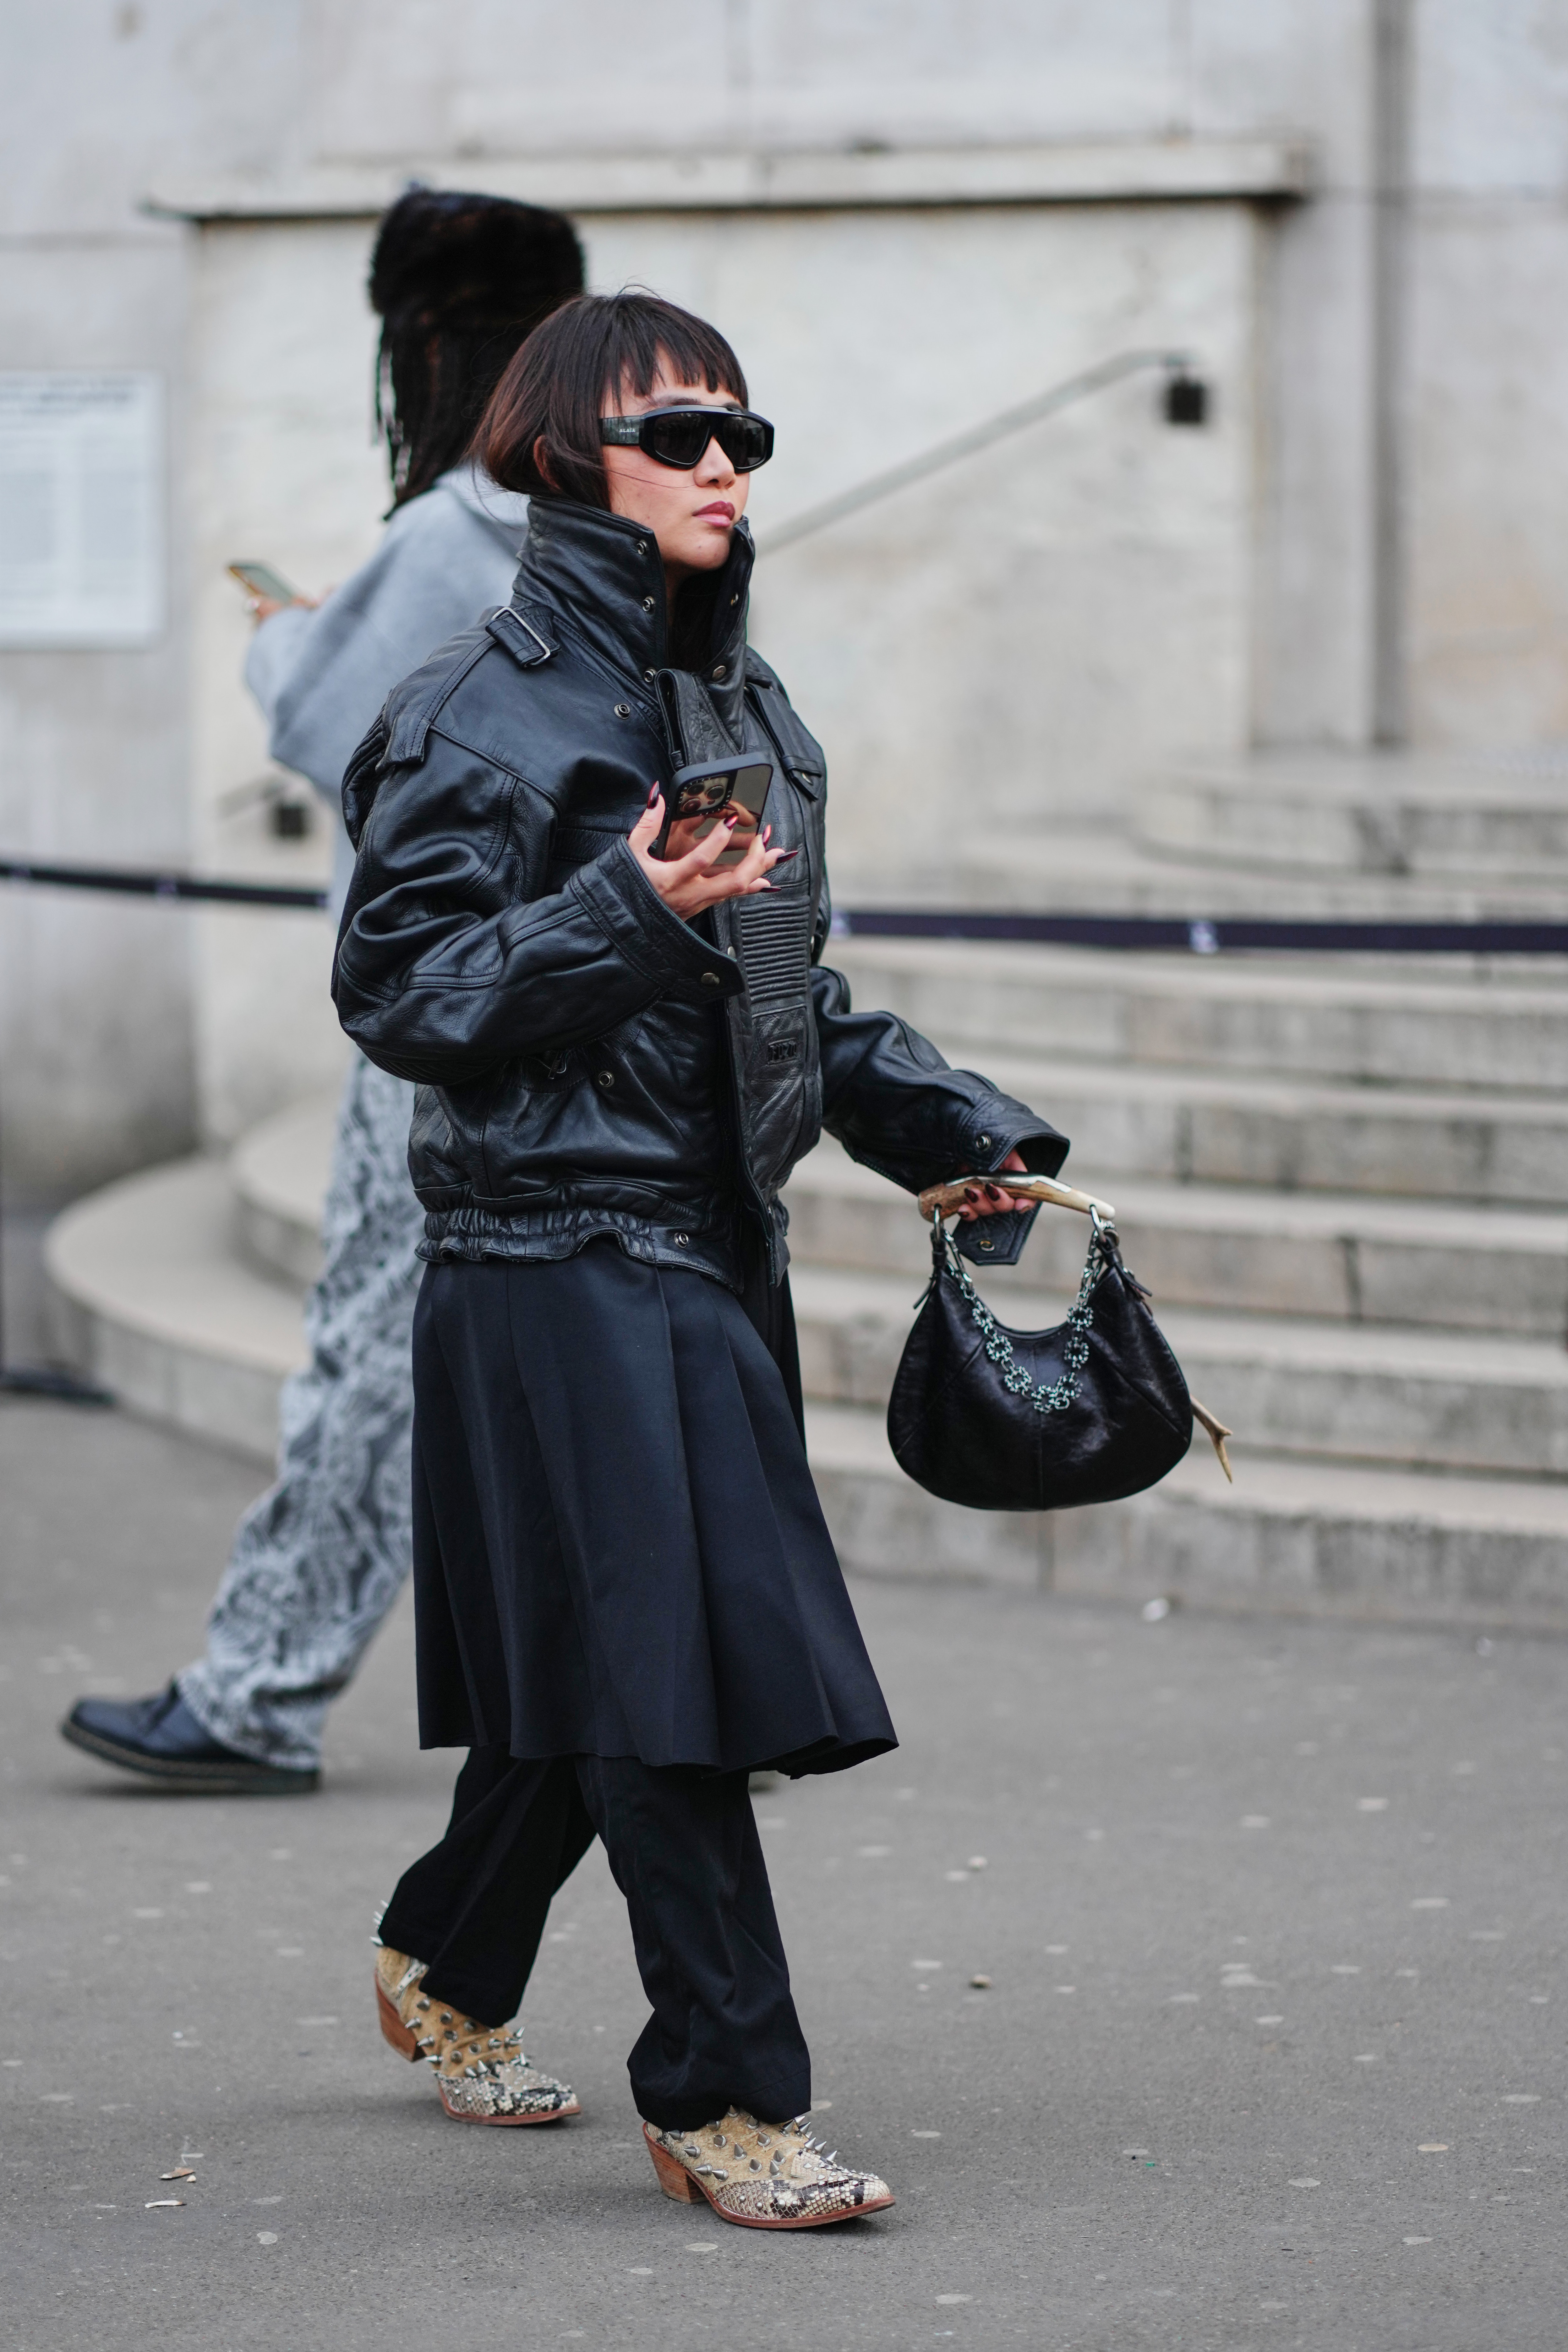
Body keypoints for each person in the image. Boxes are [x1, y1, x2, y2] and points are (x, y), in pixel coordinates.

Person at [335, 290, 1067, 2221]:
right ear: (570, 457)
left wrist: (953, 1129)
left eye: (750, 435)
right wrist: (624, 911)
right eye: (686, 436)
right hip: (544, 1250)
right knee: (671, 1676)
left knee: (600, 1665)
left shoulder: (738, 707)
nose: (729, 466)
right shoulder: (475, 715)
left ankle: (446, 1957)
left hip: (699, 1242)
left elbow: (780, 995)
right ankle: (728, 2099)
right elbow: (400, 992)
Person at [60, 188, 585, 1795]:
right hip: (614, 985)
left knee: (378, 1338)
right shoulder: (632, 525)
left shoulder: (448, 536)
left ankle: (260, 1691)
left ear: (425, 348)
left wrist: (288, 631)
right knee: (611, 1340)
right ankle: (698, 1682)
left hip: (442, 1007)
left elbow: (333, 722)